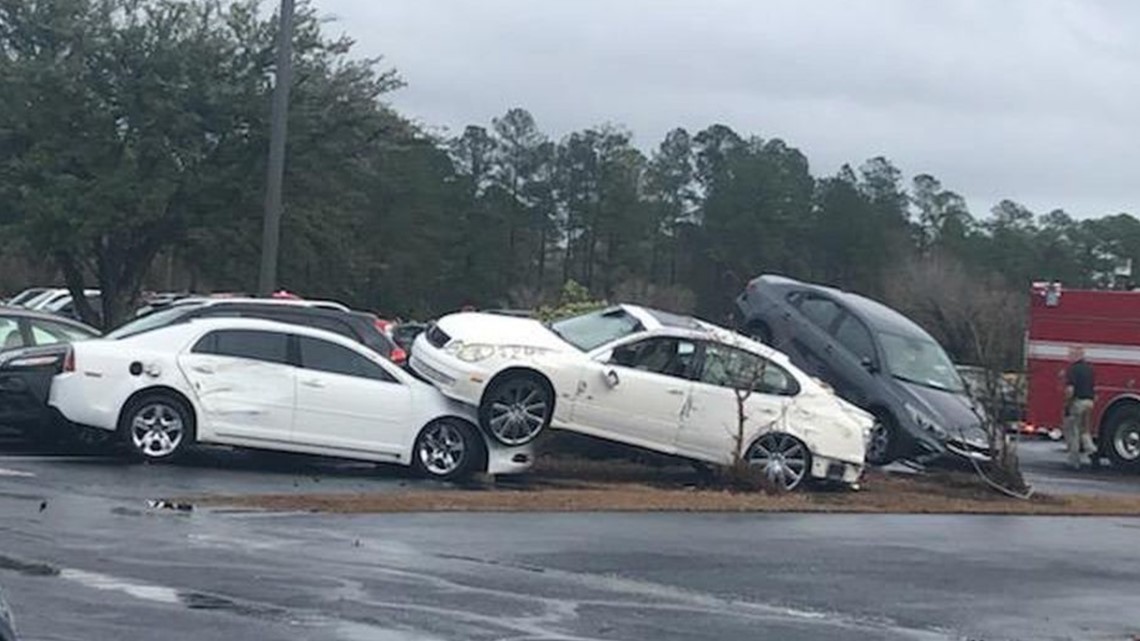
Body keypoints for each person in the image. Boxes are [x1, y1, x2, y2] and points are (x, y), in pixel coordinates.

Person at [1063, 346, 1099, 470]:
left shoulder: (1073, 370)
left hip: (1077, 403)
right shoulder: (1089, 369)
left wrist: (1067, 405)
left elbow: (1070, 390)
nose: (1068, 356)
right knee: (1085, 430)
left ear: (1076, 356)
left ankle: (1074, 461)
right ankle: (1092, 451)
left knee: (1073, 432)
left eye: (1070, 354)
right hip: (1089, 402)